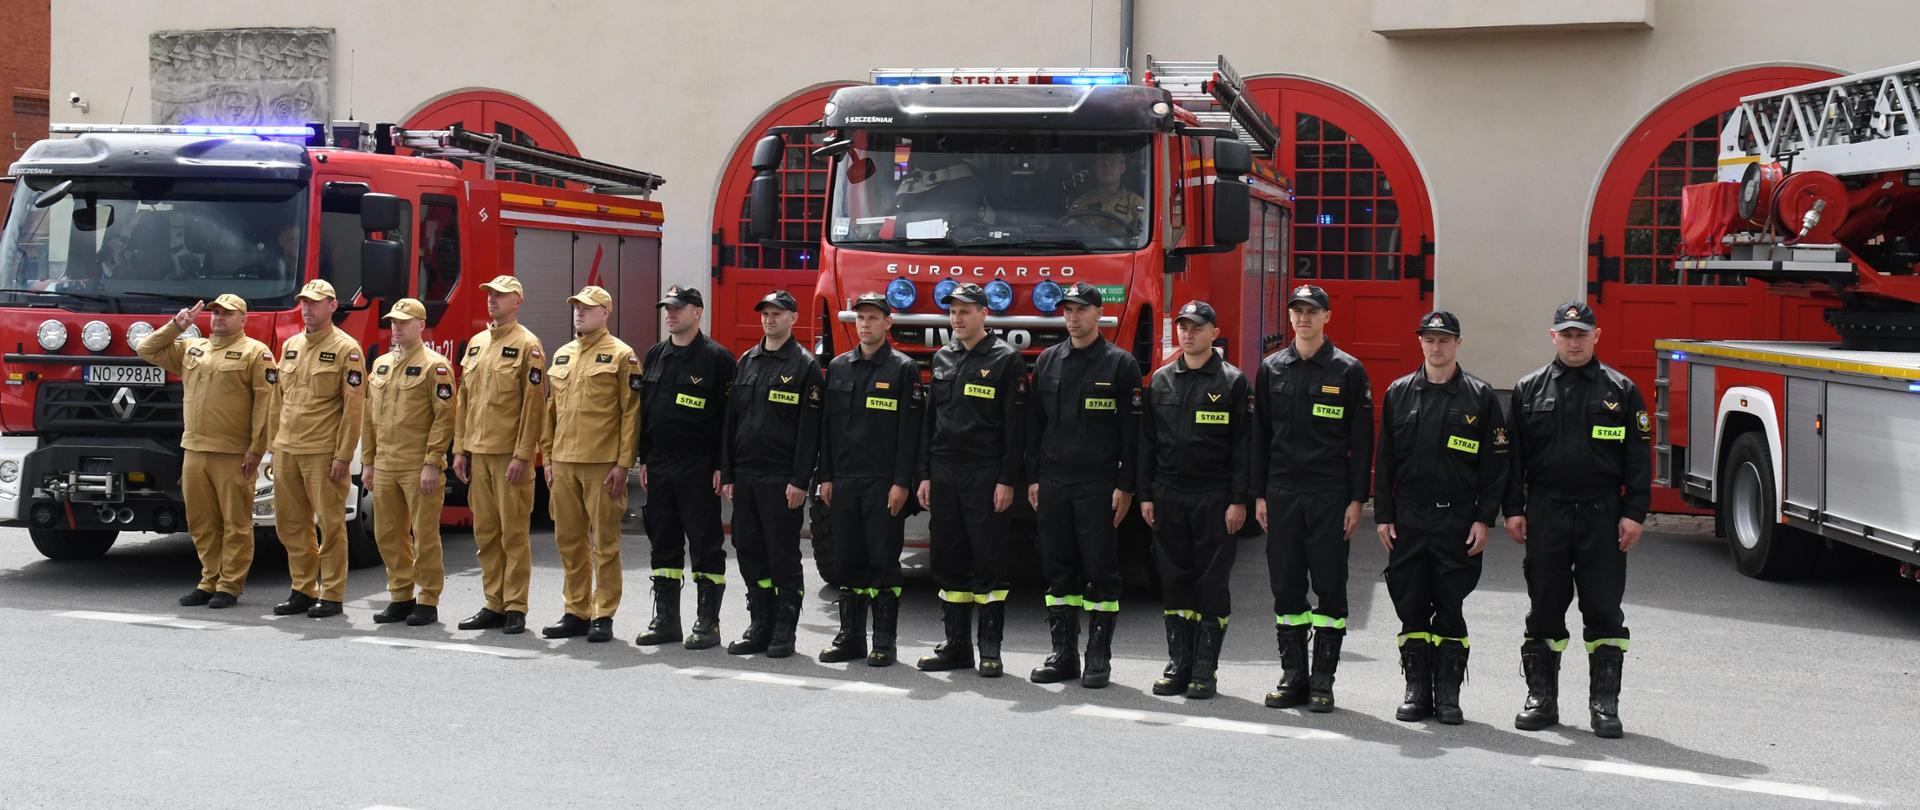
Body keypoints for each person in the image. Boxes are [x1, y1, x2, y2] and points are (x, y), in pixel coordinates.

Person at [1504, 300, 1649, 739]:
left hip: (1602, 514)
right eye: (1565, 334)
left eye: (1581, 334)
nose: (1573, 341)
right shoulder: (1528, 389)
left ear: (1596, 336)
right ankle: (1541, 700)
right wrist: (1512, 509)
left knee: (1603, 608)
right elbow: (1512, 458)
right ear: (1553, 337)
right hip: (1546, 511)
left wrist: (1634, 513)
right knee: (1544, 606)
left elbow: (1638, 457)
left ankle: (1604, 705)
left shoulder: (1621, 390)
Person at [1374, 311, 1509, 724]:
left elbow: (1496, 466)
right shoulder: (1398, 393)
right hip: (1410, 518)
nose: (1436, 347)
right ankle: (1416, 690)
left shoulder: (1480, 397)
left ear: (1458, 344)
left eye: (1444, 340)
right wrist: (1383, 516)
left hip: (1457, 519)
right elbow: (1386, 461)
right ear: (1420, 343)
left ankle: (1448, 694)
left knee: (1450, 605)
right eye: (1429, 339)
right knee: (1411, 604)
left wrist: (1484, 518)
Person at [1254, 283, 1373, 712]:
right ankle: (1293, 677)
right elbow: (1260, 435)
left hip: (1328, 495)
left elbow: (1362, 442)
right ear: (1289, 318)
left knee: (1328, 587)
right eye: (1297, 311)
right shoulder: (1272, 368)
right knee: (1286, 586)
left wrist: (1358, 499)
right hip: (1282, 493)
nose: (1303, 318)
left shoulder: (1347, 370)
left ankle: (1322, 680)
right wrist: (1259, 494)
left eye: (1312, 311)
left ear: (1327, 317)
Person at [1025, 282, 1141, 689]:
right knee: (1058, 571)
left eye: (1080, 309)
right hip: (1054, 483)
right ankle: (1063, 655)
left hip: (1098, 484)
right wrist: (1034, 478)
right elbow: (1035, 425)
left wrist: (1126, 485)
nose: (1072, 317)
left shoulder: (1120, 364)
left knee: (1100, 573)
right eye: (1067, 310)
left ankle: (1098, 658)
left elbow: (1133, 432)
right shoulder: (1048, 361)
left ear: (1098, 312)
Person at [1138, 301, 1252, 699]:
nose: (1189, 334)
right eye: (1184, 327)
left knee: (1212, 584)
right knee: (1174, 580)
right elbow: (1147, 444)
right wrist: (1146, 494)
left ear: (1213, 332)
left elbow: (1243, 448)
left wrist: (1240, 501)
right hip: (1168, 495)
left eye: (1197, 327)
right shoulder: (1162, 380)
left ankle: (1205, 669)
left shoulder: (1233, 382)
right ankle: (1178, 664)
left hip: (1215, 497)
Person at [916, 282, 1027, 677]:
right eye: (952, 312)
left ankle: (990, 650)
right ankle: (956, 647)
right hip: (945, 473)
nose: (957, 319)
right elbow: (931, 422)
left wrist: (1007, 480)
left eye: (965, 311)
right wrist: (925, 474)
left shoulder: (1006, 360)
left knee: (988, 563)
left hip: (985, 474)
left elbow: (1016, 429)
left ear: (984, 314)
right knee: (948, 561)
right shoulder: (942, 357)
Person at [139, 295, 275, 609]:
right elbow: (146, 349)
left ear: (243, 319)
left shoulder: (256, 353)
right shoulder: (192, 348)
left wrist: (257, 449)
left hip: (232, 452)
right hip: (195, 448)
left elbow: (266, 407)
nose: (218, 318)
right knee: (201, 522)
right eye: (215, 313)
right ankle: (209, 579)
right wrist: (178, 326)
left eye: (227, 314)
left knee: (235, 522)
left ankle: (229, 585)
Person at [816, 291, 922, 667]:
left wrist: (901, 482)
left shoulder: (903, 369)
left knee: (883, 563)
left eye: (874, 318)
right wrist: (825, 477)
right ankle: (850, 638)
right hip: (843, 481)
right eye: (861, 318)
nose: (866, 324)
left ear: (888, 323)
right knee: (848, 561)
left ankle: (883, 642)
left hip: (882, 482)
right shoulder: (840, 367)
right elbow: (826, 429)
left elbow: (911, 433)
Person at [721, 290, 824, 659]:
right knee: (748, 550)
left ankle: (784, 630)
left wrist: (800, 480)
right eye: (764, 313)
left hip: (782, 479)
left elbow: (810, 432)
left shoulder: (804, 365)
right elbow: (731, 423)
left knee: (782, 555)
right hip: (746, 475)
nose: (769, 319)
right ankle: (759, 624)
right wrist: (729, 472)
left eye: (777, 314)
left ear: (793, 318)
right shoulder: (746, 360)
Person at [634, 284, 736, 649]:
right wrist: (644, 459)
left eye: (678, 308)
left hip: (699, 467)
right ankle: (666, 621)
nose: (670, 314)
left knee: (706, 545)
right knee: (663, 544)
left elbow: (729, 420)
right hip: (660, 466)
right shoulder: (657, 354)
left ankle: (707, 623)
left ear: (698, 312)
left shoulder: (717, 359)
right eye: (667, 308)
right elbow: (647, 412)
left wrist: (724, 466)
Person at [540, 285, 642, 643]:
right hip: (564, 462)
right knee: (569, 541)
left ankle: (603, 613)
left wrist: (623, 463)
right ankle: (576, 610)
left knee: (605, 544)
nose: (579, 313)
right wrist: (547, 457)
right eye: (576, 307)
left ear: (605, 314)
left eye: (588, 308)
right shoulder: (563, 355)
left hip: (602, 464)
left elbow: (631, 414)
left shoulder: (621, 355)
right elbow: (549, 412)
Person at [450, 275, 546, 635]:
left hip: (509, 455)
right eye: (489, 294)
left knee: (513, 533)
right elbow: (464, 401)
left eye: (500, 295)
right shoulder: (476, 344)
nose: (492, 300)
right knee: (486, 532)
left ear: (517, 300)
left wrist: (524, 454)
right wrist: (460, 449)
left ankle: (516, 606)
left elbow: (533, 405)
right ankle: (493, 602)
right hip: (479, 453)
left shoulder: (527, 345)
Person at [270, 279, 366, 619]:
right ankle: (302, 588)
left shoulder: (346, 349)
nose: (307, 308)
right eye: (303, 302)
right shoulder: (292, 345)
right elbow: (278, 400)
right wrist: (273, 444)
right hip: (288, 449)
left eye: (315, 302)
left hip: (323, 452)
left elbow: (353, 408)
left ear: (332, 306)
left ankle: (333, 592)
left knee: (331, 523)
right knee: (289, 523)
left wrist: (343, 455)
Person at [362, 298, 457, 627]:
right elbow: (369, 417)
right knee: (388, 533)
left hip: (418, 464)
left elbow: (445, 418)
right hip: (386, 462)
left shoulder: (436, 366)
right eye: (393, 322)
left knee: (424, 534)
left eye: (404, 322)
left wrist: (433, 461)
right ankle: (401, 595)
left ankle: (428, 599)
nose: (396, 328)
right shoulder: (382, 365)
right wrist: (369, 462)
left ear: (421, 325)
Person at [1063, 147, 1146, 234]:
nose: (1107, 168)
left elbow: (1142, 238)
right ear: (1096, 168)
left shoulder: (1135, 203)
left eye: (1113, 164)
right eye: (1103, 164)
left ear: (1122, 168)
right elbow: (1069, 231)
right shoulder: (1082, 202)